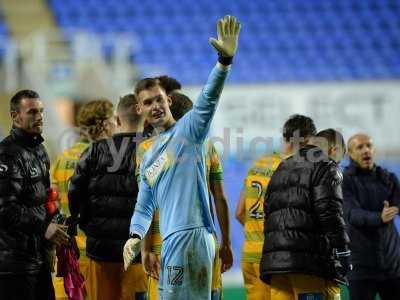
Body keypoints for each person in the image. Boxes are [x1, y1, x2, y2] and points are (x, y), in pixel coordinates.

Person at [123, 15, 240, 300]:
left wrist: (223, 64)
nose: (155, 106)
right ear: (139, 109)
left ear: (169, 101)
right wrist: (136, 236)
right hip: (173, 241)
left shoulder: (190, 131)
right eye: (148, 102)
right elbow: (144, 203)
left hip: (195, 236)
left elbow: (208, 98)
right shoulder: (149, 155)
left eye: (159, 99)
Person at [140, 91, 233, 300]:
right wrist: (226, 243)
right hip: (203, 244)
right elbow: (220, 198)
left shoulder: (147, 150)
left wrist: (145, 250)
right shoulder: (207, 146)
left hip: (163, 247)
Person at [260, 115, 350, 300]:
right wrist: (342, 251)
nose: (339, 163)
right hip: (309, 264)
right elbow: (329, 214)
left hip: (276, 265)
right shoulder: (326, 166)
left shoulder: (282, 166)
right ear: (334, 149)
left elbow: (268, 210)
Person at [68, 94, 147, 300]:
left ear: (118, 120)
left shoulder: (94, 151)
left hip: (101, 252)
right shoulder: (155, 150)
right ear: (144, 119)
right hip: (141, 252)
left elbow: (75, 192)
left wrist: (87, 225)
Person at [0, 90, 69, 300]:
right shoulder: (7, 154)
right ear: (15, 116)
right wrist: (43, 226)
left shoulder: (40, 150)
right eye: (32, 112)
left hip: (39, 258)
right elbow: (5, 208)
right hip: (14, 265)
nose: (39, 116)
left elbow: (44, 198)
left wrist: (57, 221)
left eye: (41, 111)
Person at [50, 99, 115, 298]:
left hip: (66, 252)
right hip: (94, 253)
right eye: (114, 119)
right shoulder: (104, 158)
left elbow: (51, 201)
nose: (116, 125)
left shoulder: (62, 158)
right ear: (104, 124)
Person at [343, 133, 400, 300]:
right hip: (361, 268)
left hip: (392, 265)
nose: (365, 150)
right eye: (360, 147)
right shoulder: (344, 181)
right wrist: (379, 217)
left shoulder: (388, 178)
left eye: (369, 146)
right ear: (350, 153)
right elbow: (352, 214)